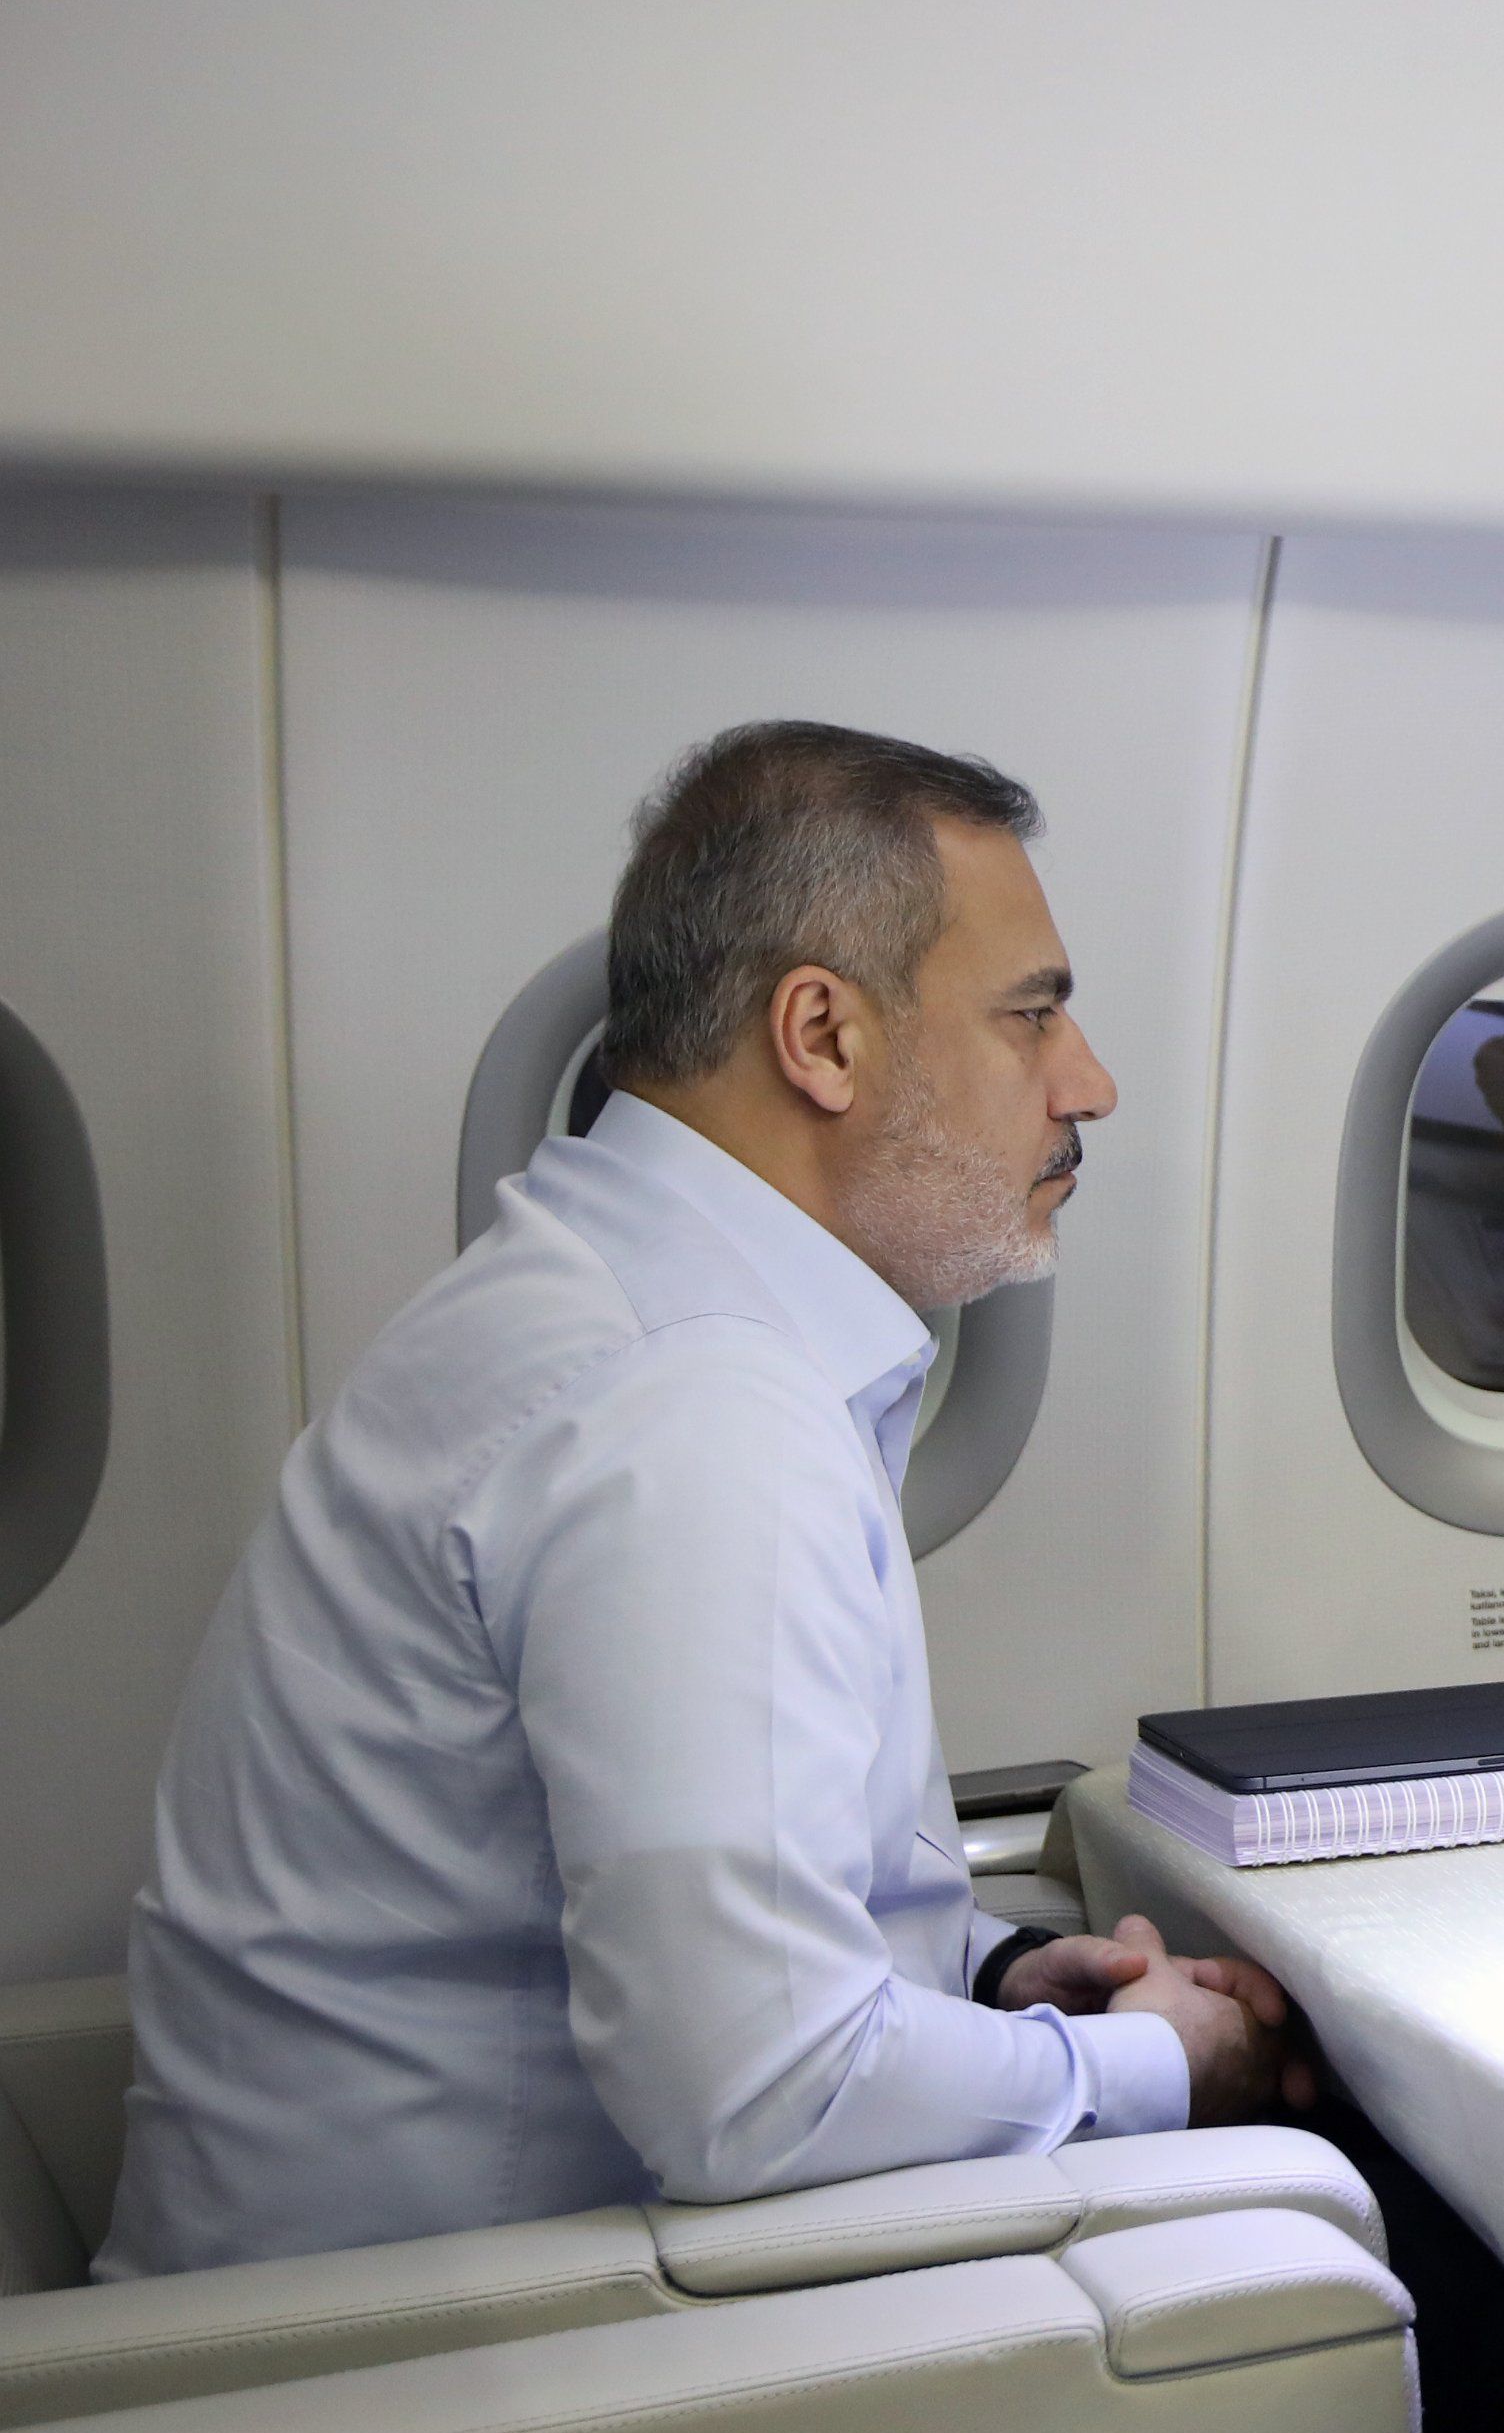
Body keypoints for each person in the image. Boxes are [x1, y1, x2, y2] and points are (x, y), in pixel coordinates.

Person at [100, 720, 1307, 2282]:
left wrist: (999, 1973)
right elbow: (761, 2090)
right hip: (450, 2349)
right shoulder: (692, 1407)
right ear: (823, 1036)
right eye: (1031, 1015)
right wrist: (1160, 2064)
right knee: (1336, 2220)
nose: (1092, 1081)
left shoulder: (603, 1298)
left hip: (454, 2282)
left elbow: (724, 1931)